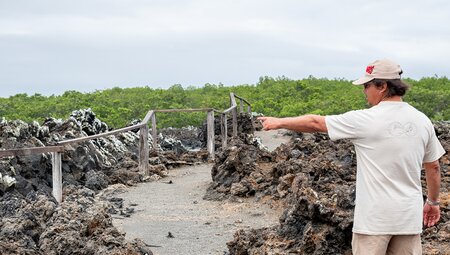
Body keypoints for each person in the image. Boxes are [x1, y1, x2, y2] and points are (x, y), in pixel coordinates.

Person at [258, 59, 445, 255]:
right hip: (408, 219)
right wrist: (432, 203)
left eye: (367, 85)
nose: (364, 91)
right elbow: (433, 167)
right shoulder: (422, 120)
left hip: (374, 221)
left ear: (382, 86)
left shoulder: (365, 119)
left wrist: (278, 122)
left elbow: (315, 123)